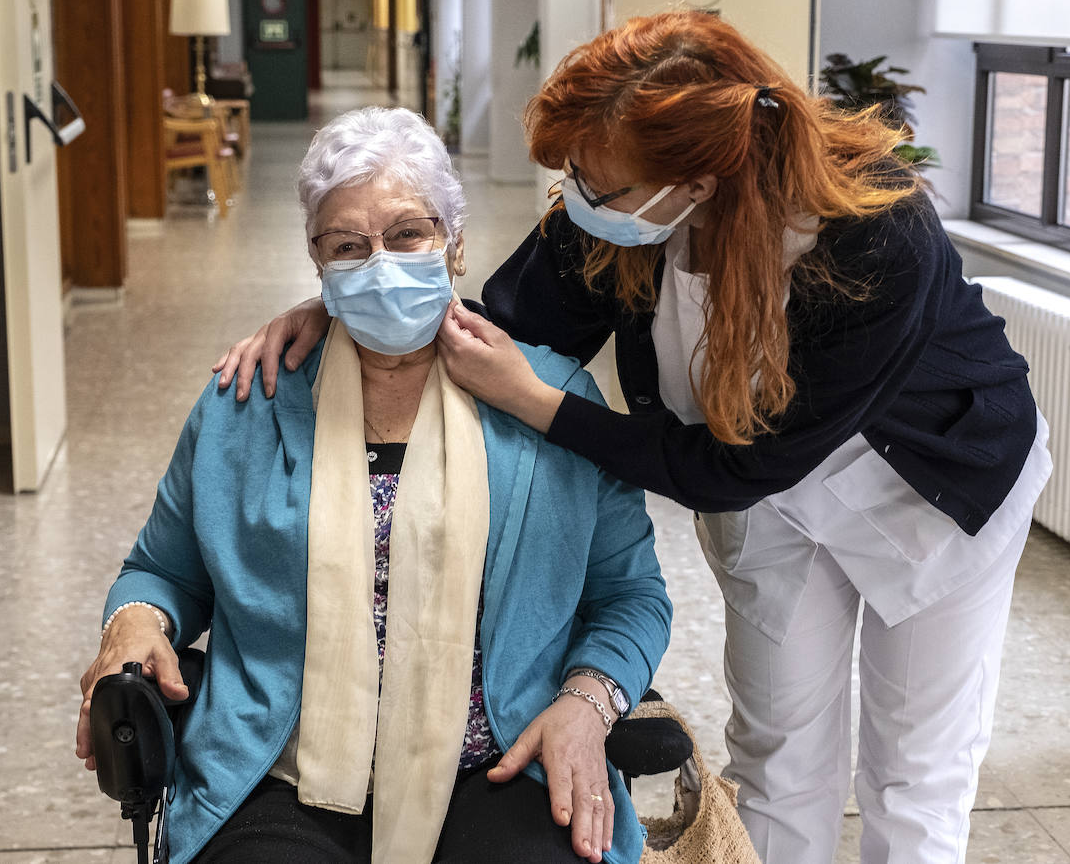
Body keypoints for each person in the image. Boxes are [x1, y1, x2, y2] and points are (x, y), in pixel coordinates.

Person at [211, 12, 1053, 864]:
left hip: (928, 488)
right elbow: (492, 327)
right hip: (761, 491)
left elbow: (732, 469)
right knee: (780, 752)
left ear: (698, 178)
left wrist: (545, 406)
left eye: (595, 184)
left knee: (913, 774)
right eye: (574, 172)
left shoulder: (875, 231)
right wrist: (346, 298)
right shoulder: (621, 213)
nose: (576, 197)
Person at [76, 106, 672, 864]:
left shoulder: (546, 400)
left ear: (454, 245)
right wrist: (133, 622)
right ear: (317, 261)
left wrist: (587, 705)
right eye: (349, 247)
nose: (380, 264)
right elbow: (161, 571)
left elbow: (631, 596)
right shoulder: (247, 401)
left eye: (408, 235)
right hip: (280, 765)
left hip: (499, 757)